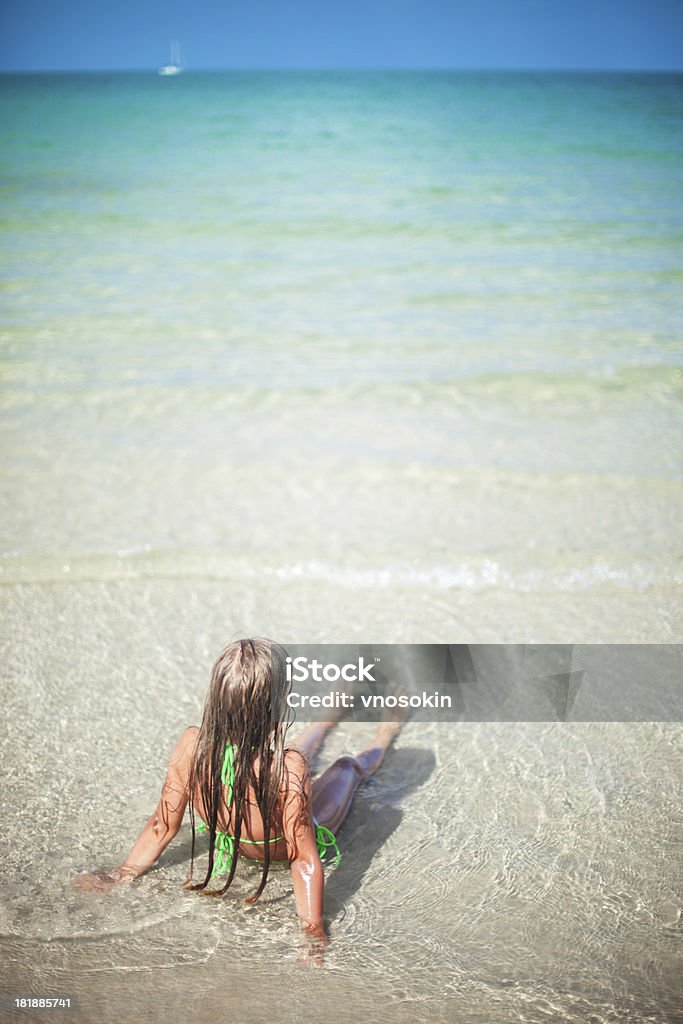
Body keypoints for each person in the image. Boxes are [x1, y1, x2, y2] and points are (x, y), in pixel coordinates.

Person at [75, 638, 406, 957]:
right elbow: (302, 858)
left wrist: (124, 872)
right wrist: (312, 930)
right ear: (277, 704)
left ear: (217, 698)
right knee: (347, 766)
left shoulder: (192, 745)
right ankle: (385, 730)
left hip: (233, 838)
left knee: (300, 752)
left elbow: (163, 823)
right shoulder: (287, 768)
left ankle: (330, 713)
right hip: (276, 849)